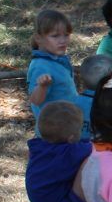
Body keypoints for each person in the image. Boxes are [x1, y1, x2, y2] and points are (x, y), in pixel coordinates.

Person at [26, 8, 92, 139]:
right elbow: (35, 100)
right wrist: (42, 87)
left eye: (66, 35)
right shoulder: (41, 66)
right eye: (55, 36)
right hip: (53, 132)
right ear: (39, 38)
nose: (62, 41)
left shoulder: (57, 59)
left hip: (67, 126)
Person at [26, 101, 91, 202]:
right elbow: (98, 149)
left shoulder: (39, 147)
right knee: (93, 160)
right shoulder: (69, 153)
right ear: (71, 138)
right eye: (80, 130)